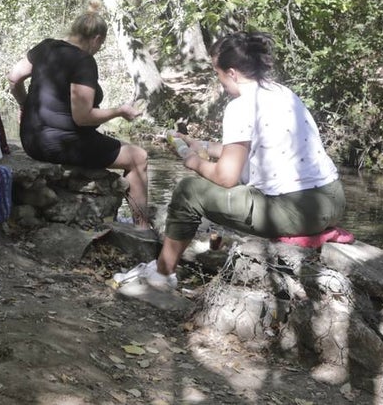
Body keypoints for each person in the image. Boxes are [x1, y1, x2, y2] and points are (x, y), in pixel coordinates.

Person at [132, 31, 345, 291]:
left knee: (188, 191)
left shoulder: (240, 106)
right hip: (333, 200)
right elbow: (255, 150)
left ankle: (161, 276)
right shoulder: (282, 93)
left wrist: (192, 161)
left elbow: (226, 177)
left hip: (296, 211)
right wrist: (203, 147)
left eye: (218, 73)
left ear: (232, 73)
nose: (218, 80)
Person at [7, 0, 154, 231]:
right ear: (96, 39)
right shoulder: (84, 61)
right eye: (100, 45)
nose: (98, 49)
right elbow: (83, 118)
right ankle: (142, 229)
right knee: (138, 158)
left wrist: (24, 104)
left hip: (31, 140)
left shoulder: (46, 47)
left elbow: (14, 77)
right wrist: (119, 111)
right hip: (61, 144)